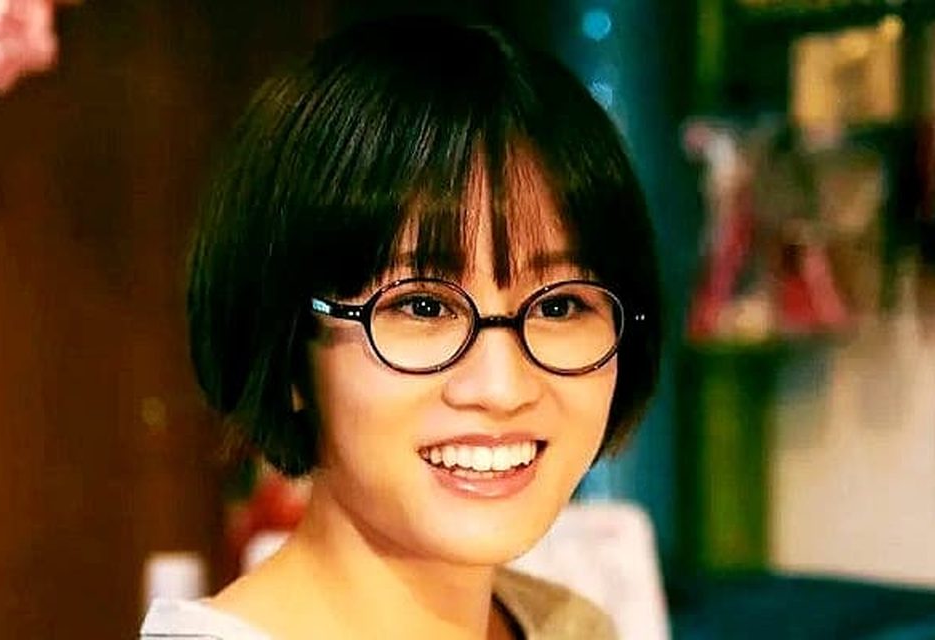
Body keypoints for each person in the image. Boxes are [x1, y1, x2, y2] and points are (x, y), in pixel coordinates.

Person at [140, 14, 661, 640]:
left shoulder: (571, 627)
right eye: (423, 307)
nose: (502, 388)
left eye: (558, 306)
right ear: (288, 346)